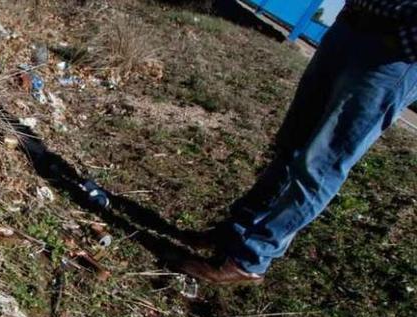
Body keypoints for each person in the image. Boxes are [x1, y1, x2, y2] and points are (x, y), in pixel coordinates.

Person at [179, 0, 417, 285]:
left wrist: (401, 39)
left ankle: (250, 258)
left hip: (394, 52)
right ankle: (235, 233)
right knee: (291, 144)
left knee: (321, 162)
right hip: (351, 25)